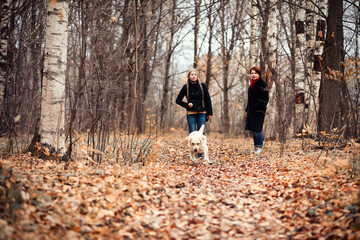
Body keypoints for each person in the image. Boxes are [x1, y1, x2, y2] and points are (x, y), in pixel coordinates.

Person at [176, 69, 213, 134]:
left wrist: (209, 113)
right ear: (189, 76)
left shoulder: (202, 86)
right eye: (192, 74)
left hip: (202, 112)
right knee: (192, 133)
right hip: (191, 113)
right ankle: (192, 144)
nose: (193, 76)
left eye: (195, 75)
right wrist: (187, 105)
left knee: (201, 133)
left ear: (197, 76)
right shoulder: (186, 87)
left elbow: (208, 99)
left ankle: (202, 144)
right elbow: (178, 100)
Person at [245, 66, 269, 154]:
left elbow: (265, 99)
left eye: (255, 73)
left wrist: (256, 106)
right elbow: (250, 99)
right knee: (253, 129)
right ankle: (255, 147)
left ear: (258, 74)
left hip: (259, 111)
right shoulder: (251, 84)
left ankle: (260, 147)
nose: (254, 75)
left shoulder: (262, 84)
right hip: (251, 111)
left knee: (257, 129)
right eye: (252, 73)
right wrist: (248, 109)